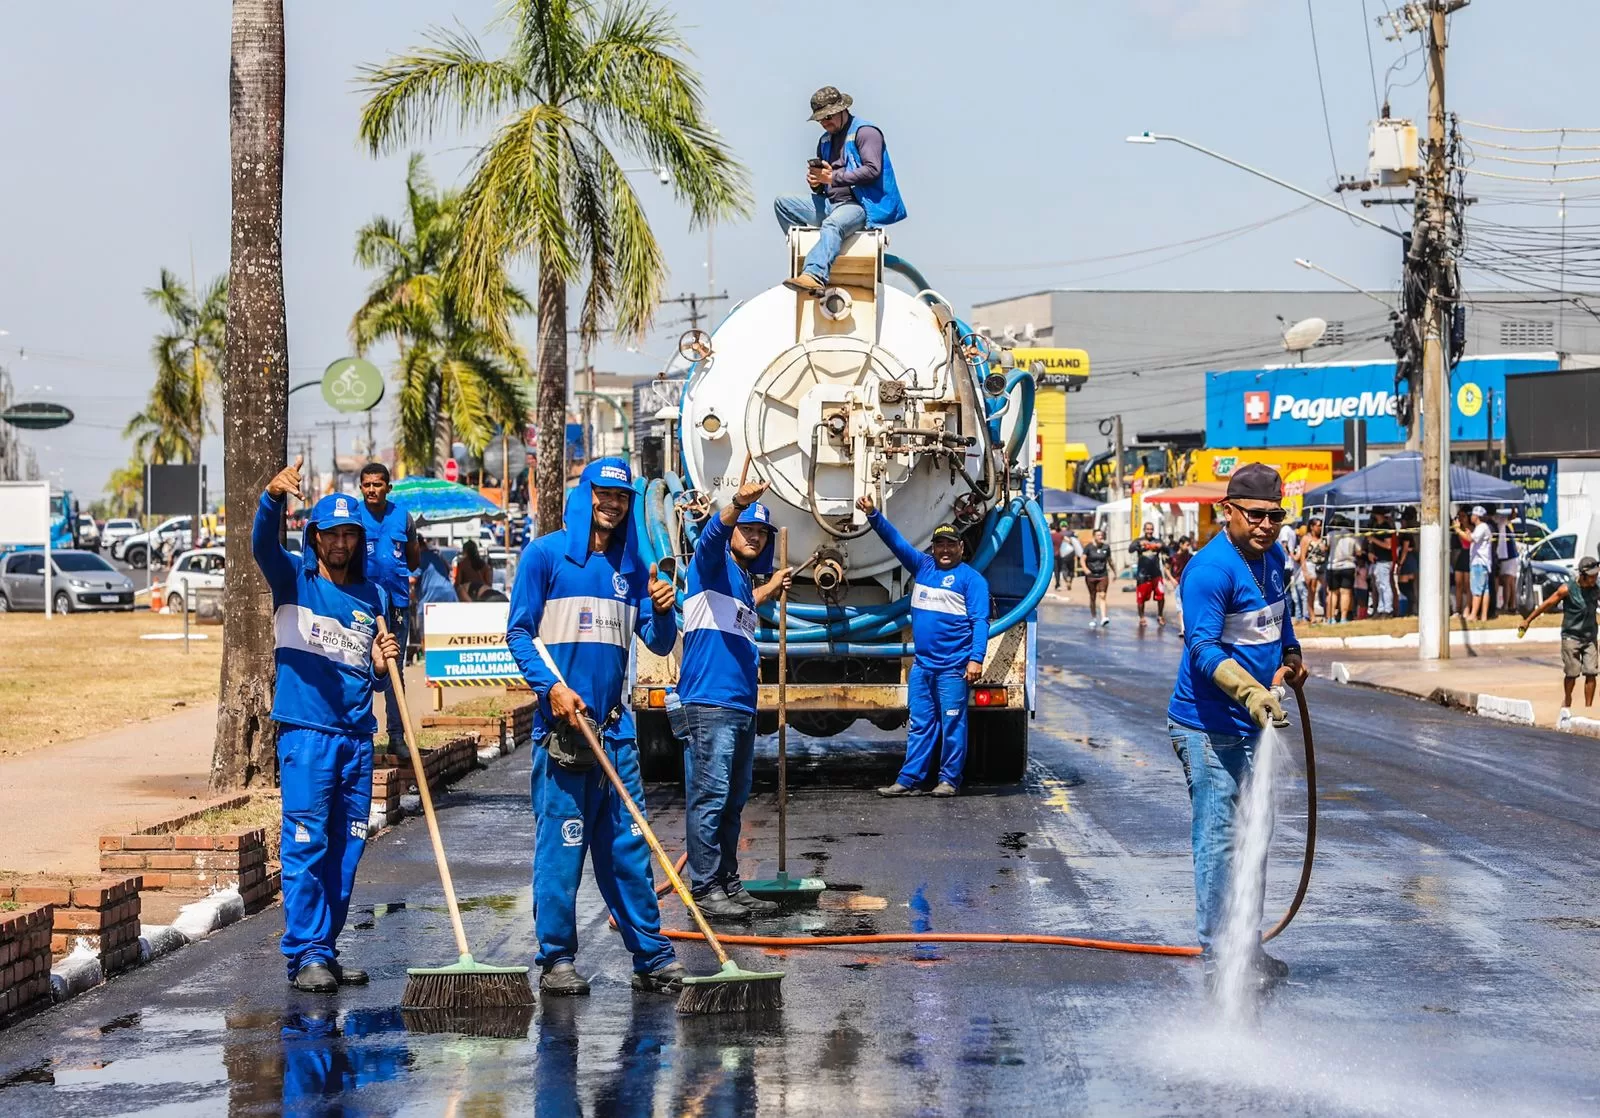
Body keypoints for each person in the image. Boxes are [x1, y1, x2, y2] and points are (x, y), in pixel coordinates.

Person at [503, 458, 684, 997]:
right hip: (562, 738)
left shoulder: (633, 568)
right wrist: (551, 689)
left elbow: (654, 640)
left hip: (615, 733)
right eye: (604, 494)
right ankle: (556, 958)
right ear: (587, 495)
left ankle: (651, 956)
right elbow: (517, 633)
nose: (613, 504)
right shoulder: (545, 557)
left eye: (622, 497)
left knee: (629, 848)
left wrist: (664, 609)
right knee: (562, 850)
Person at [252, 456, 398, 994]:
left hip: (357, 738)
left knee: (348, 846)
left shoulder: (374, 598)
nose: (340, 544)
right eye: (330, 534)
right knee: (307, 843)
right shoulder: (294, 578)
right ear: (314, 538)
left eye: (350, 535)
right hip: (307, 735)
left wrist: (384, 665)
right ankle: (306, 952)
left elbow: (375, 676)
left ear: (361, 540)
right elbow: (262, 545)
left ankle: (326, 947)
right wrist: (272, 498)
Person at [1167, 463, 1308, 984]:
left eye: (1275, 515)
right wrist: (1250, 691)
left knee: (1257, 837)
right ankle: (1214, 954)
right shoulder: (1210, 571)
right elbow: (1201, 648)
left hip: (1253, 725)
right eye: (1256, 515)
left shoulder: (1271, 558)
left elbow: (1279, 614)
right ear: (1227, 512)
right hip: (1207, 728)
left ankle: (1245, 946)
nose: (1267, 524)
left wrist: (1291, 652)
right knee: (1221, 839)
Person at [674, 478, 793, 921]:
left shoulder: (741, 581)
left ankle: (727, 881)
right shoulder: (710, 562)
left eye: (761, 532)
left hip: (740, 706)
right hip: (709, 704)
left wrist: (771, 587)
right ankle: (704, 889)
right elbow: (711, 535)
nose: (755, 536)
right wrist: (738, 502)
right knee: (710, 797)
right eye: (747, 528)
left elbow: (742, 608)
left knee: (733, 800)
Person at [858, 496, 990, 798]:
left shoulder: (972, 581)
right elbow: (897, 543)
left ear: (961, 548)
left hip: (954, 668)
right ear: (933, 548)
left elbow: (980, 622)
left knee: (953, 724)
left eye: (950, 545)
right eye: (939, 545)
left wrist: (976, 659)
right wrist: (873, 515)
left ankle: (948, 780)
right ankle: (909, 779)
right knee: (920, 723)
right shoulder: (923, 566)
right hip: (924, 666)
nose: (944, 550)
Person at [774, 86, 906, 295]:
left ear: (842, 109)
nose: (825, 123)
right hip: (831, 203)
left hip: (859, 205)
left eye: (828, 117)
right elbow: (824, 185)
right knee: (783, 203)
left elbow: (873, 170)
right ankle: (809, 263)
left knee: (833, 224)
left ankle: (815, 273)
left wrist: (833, 177)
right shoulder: (825, 140)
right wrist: (817, 182)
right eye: (820, 120)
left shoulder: (865, 133)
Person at [357, 463, 420, 740]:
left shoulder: (403, 518)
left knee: (395, 668)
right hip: (362, 603)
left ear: (388, 487)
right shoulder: (354, 516)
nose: (372, 489)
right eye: (367, 485)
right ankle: (361, 735)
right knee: (357, 667)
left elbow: (414, 557)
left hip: (397, 606)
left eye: (377, 484)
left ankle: (396, 736)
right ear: (361, 488)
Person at [1518, 555, 1600, 716]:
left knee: (1591, 672)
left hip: (1590, 637)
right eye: (1592, 575)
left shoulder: (1596, 589)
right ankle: (1567, 698)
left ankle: (1588, 709)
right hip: (1571, 637)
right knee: (1572, 673)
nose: (1595, 578)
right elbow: (1547, 604)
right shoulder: (1567, 589)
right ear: (1583, 575)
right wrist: (1527, 620)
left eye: (1596, 575)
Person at [1132, 522, 1167, 628]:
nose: (1149, 531)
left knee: (1161, 596)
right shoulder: (1139, 541)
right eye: (1147, 529)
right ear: (1144, 530)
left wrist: (1161, 546)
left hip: (1156, 574)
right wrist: (1139, 545)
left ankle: (1160, 615)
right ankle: (1141, 617)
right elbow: (1130, 549)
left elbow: (1167, 549)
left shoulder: (1157, 541)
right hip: (1143, 575)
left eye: (1151, 529)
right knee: (1141, 599)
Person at [1464, 505, 1494, 622]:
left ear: (1477, 516)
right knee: (1485, 590)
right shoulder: (1481, 528)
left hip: (1479, 562)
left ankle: (1473, 614)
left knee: (1477, 590)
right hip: (1483, 562)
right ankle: (1484, 616)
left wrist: (1459, 531)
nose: (1471, 517)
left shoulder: (1482, 527)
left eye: (1472, 515)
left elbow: (1472, 539)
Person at [1325, 519, 1359, 624]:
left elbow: (1325, 547)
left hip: (1333, 566)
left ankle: (1331, 618)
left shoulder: (1330, 534)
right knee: (1346, 593)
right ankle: (1343, 617)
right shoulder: (1351, 535)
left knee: (1332, 593)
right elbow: (1359, 550)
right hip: (1348, 566)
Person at [1296, 517, 1326, 624]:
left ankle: (1327, 614)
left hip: (1321, 565)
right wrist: (1305, 572)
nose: (1320, 528)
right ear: (1312, 527)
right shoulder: (1306, 539)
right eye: (1318, 525)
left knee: (1326, 589)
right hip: (1310, 565)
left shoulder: (1322, 538)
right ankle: (1311, 615)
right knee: (1311, 592)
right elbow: (1303, 557)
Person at [1368, 510, 1396, 619]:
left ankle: (1388, 609)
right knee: (1379, 586)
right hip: (1378, 560)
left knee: (1385, 585)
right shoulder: (1376, 526)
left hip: (1385, 560)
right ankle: (1381, 608)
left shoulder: (1385, 527)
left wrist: (1373, 539)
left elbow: (1388, 545)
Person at [1083, 528, 1112, 628]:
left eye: (1102, 535)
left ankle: (1104, 617)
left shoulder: (1106, 547)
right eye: (1098, 535)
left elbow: (1109, 560)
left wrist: (1115, 571)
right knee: (1093, 597)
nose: (1101, 537)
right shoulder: (1088, 547)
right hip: (1091, 575)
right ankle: (1094, 617)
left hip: (1102, 574)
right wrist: (1085, 569)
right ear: (1094, 536)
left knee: (1102, 595)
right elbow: (1082, 560)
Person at [1495, 511, 1521, 617]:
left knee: (1508, 581)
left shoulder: (1500, 520)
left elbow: (1512, 516)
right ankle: (1511, 605)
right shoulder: (1504, 525)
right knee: (1510, 582)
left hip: (1509, 555)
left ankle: (1507, 605)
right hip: (1510, 555)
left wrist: (1514, 507)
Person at [1396, 508, 1418, 616]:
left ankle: (1410, 608)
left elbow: (1405, 548)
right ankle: (1410, 608)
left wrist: (1400, 564)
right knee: (1409, 586)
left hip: (1407, 560)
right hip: (1412, 559)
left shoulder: (1406, 533)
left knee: (1404, 585)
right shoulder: (1409, 530)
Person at [1450, 509, 1472, 616]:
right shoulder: (1458, 529)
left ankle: (1468, 607)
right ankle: (1457, 609)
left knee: (1467, 585)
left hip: (1468, 554)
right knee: (1458, 583)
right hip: (1462, 554)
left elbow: (1468, 540)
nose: (1461, 518)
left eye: (1463, 516)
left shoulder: (1471, 529)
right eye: (1459, 516)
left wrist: (1459, 530)